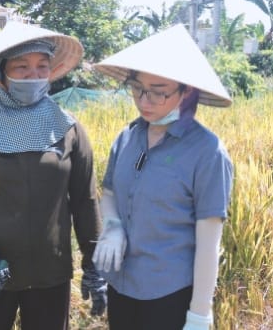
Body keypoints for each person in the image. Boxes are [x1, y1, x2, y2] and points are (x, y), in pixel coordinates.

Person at [0, 21, 107, 330]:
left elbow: (85, 202)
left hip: (50, 276)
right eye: (21, 67)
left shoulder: (68, 129)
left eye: (42, 67)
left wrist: (93, 261)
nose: (33, 77)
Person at [91, 24, 234, 330]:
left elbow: (209, 240)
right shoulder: (127, 138)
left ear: (187, 92)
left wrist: (199, 313)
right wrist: (113, 225)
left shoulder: (207, 152)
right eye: (137, 88)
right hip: (122, 286)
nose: (145, 101)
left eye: (159, 92)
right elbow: (110, 193)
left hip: (169, 294)